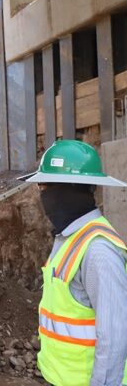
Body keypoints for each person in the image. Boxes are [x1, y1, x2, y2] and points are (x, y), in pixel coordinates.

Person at [20, 139, 127, 386]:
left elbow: (114, 337)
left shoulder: (98, 250)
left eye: (44, 187)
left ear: (67, 189)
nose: (42, 195)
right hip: (58, 377)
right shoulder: (68, 237)